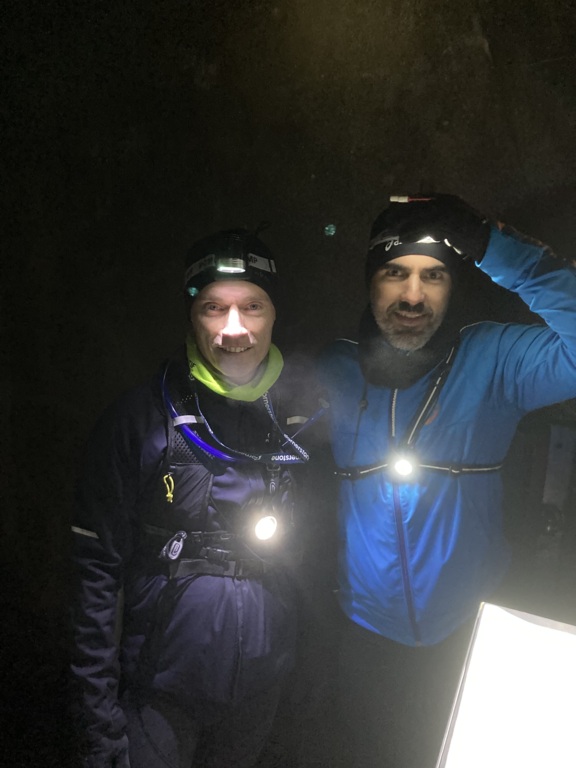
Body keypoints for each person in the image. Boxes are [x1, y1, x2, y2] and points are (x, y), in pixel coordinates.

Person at [316, 194, 576, 768]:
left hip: (469, 630)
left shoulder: (493, 359)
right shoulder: (334, 368)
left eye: (433, 275)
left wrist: (489, 244)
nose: (414, 296)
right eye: (395, 272)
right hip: (363, 636)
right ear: (369, 281)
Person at [70, 228, 324, 768]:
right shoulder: (141, 420)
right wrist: (99, 724)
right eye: (214, 307)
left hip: (260, 692)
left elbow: (319, 558)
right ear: (191, 315)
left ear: (275, 314)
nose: (234, 328)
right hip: (160, 692)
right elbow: (94, 575)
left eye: (252, 305)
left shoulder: (303, 422)